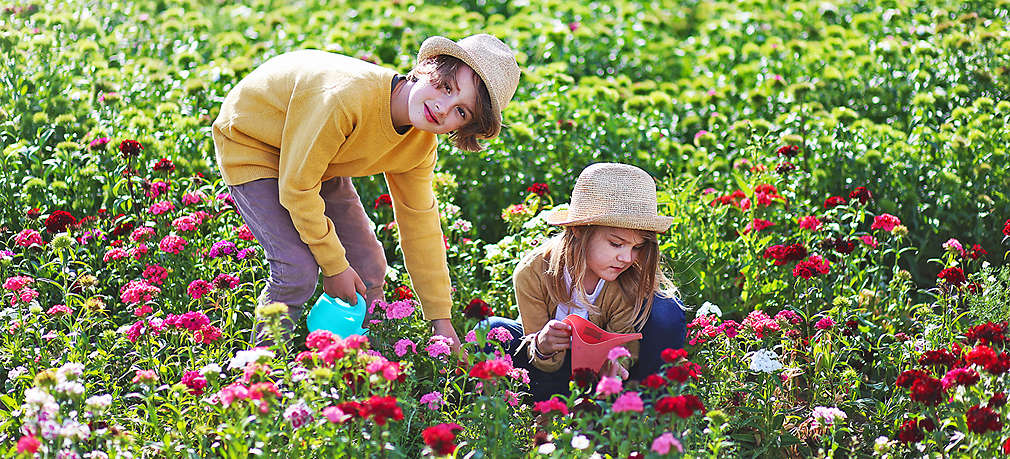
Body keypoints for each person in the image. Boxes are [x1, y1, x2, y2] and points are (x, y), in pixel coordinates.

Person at [212, 34, 521, 350]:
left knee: (370, 266)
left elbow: (421, 227)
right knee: (297, 269)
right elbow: (297, 188)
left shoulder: (419, 144)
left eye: (462, 112)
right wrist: (334, 267)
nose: (443, 109)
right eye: (446, 87)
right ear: (428, 66)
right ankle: (261, 372)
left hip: (318, 158)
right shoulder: (346, 97)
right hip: (255, 141)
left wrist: (440, 318)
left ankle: (367, 364)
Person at [481, 163, 686, 401]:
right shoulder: (532, 272)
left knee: (666, 310)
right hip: (544, 370)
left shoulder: (626, 278)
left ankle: (645, 408)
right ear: (579, 230)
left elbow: (624, 343)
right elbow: (538, 355)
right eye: (616, 244)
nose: (627, 258)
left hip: (598, 379)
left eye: (637, 247)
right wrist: (542, 345)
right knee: (492, 329)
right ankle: (506, 410)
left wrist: (615, 365)